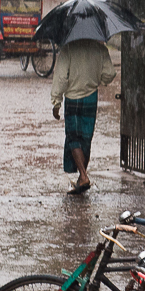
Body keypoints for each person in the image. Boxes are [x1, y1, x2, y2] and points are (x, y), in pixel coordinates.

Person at [50, 39, 116, 194]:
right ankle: (81, 177)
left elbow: (60, 78)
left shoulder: (68, 49)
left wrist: (56, 102)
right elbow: (109, 74)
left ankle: (84, 176)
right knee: (86, 138)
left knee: (73, 138)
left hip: (73, 98)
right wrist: (97, 79)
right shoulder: (100, 49)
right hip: (91, 97)